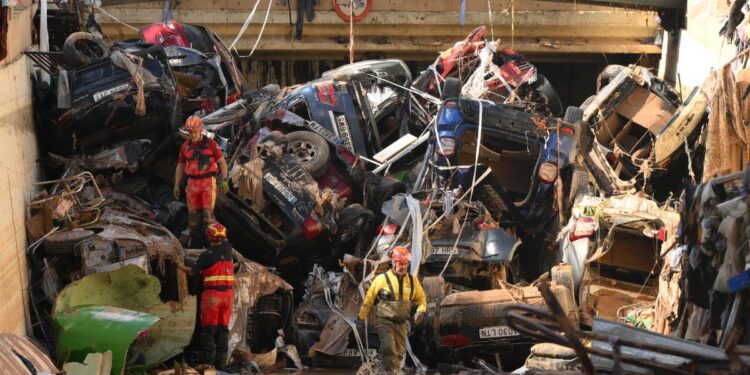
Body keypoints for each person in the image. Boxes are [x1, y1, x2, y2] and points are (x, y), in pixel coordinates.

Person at [357, 246, 427, 374]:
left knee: (399, 353)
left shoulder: (412, 281)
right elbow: (369, 299)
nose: (403, 267)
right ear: (393, 262)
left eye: (406, 264)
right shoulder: (381, 279)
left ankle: (387, 370)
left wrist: (420, 311)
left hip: (402, 323)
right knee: (389, 348)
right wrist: (361, 318)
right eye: (400, 263)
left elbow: (421, 299)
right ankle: (391, 372)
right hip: (385, 321)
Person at [178, 222, 235, 369]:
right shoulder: (228, 249)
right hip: (228, 296)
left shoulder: (206, 256)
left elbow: (192, 271)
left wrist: (178, 265)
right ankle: (221, 365)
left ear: (209, 237)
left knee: (209, 331)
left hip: (212, 296)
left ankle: (208, 364)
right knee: (223, 330)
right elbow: (223, 241)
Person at [174, 115, 229, 243]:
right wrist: (176, 184)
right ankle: (194, 239)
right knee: (192, 214)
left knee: (208, 215)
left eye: (194, 131)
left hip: (207, 183)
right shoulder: (185, 147)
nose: (192, 135)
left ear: (201, 129)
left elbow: (222, 162)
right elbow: (180, 166)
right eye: (190, 132)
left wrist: (224, 180)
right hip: (192, 183)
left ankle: (214, 241)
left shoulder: (211, 144)